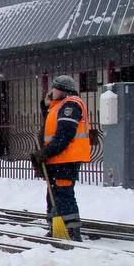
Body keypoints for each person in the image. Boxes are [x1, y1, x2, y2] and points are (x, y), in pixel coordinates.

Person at [29, 74, 90, 242]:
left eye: (54, 88)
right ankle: (57, 228)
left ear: (62, 90)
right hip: (57, 159)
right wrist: (45, 105)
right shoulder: (59, 106)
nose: (51, 91)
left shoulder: (71, 105)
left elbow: (64, 136)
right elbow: (51, 125)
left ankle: (71, 231)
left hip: (65, 159)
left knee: (63, 194)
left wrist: (45, 153)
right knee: (53, 194)